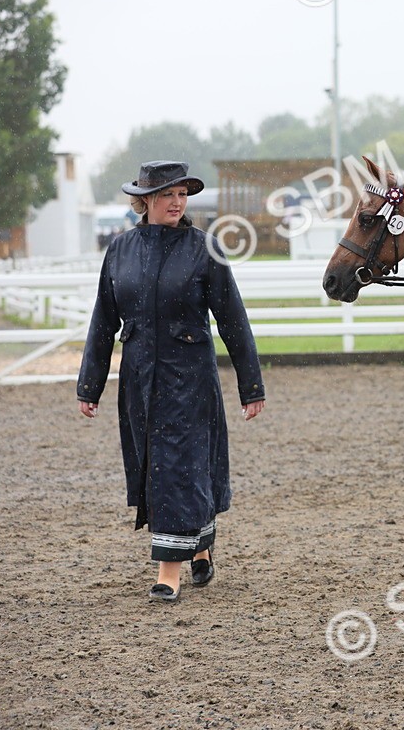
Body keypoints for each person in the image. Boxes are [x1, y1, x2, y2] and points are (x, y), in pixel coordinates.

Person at [77, 161, 266, 602]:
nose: (177, 202)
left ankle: (168, 573)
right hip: (139, 381)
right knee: (163, 466)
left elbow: (234, 321)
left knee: (177, 467)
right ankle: (200, 549)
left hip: (191, 381)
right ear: (144, 201)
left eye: (182, 194)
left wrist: (251, 386)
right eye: (167, 195)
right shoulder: (120, 250)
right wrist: (90, 385)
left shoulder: (205, 249)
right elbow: (103, 321)